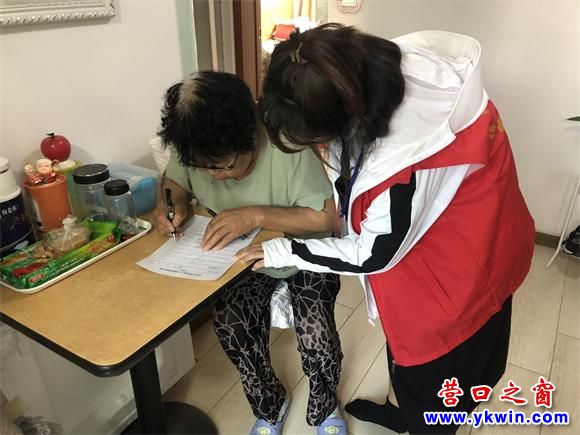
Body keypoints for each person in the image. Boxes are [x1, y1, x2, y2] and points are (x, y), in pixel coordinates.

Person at [236, 24, 536, 434]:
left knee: (436, 385)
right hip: (463, 236)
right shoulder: (373, 72)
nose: (320, 148)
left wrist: (282, 250)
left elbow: (372, 253)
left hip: (465, 272)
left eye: (318, 139)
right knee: (409, 360)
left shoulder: (409, 159)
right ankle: (401, 412)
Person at [153, 71, 348, 435]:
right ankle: (270, 404)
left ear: (253, 135)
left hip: (301, 251)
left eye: (222, 166)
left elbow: (324, 219)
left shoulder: (288, 145)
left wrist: (255, 214)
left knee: (316, 334)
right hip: (244, 258)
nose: (213, 176)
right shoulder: (196, 148)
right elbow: (174, 182)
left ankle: (324, 404)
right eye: (202, 167)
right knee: (231, 325)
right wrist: (172, 205)